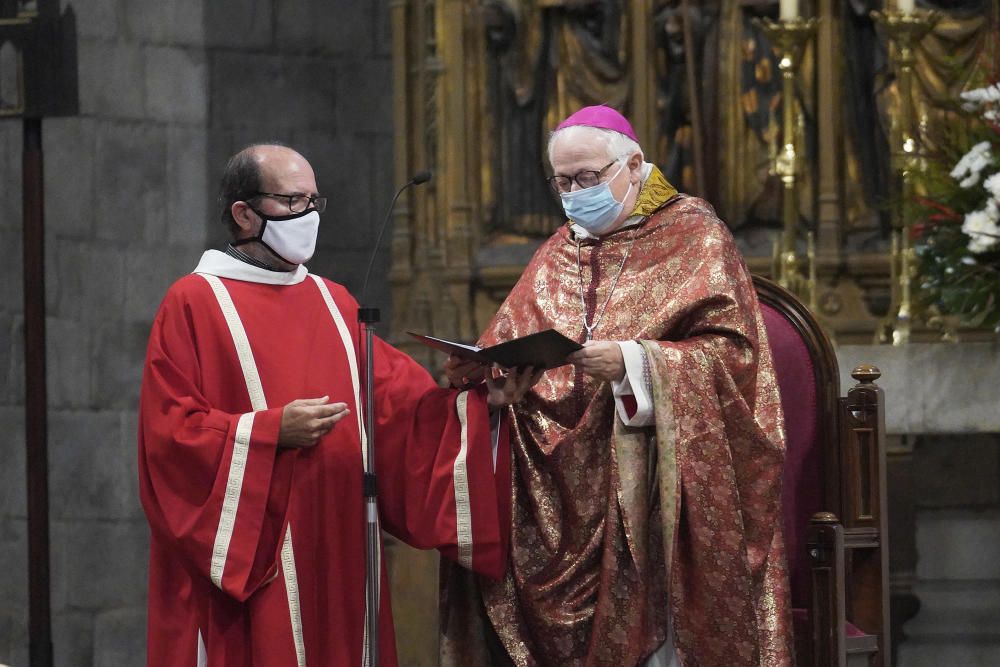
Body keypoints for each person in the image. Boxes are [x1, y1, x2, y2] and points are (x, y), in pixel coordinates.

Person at [138, 144, 538, 666]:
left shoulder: (334, 301)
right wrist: (271, 431)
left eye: (314, 201)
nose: (308, 216)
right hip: (257, 556)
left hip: (339, 541)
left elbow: (401, 412)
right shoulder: (193, 301)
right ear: (243, 213)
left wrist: (481, 405)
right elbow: (169, 437)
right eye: (292, 201)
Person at [440, 106, 793, 666]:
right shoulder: (559, 248)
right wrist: (498, 394)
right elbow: (504, 346)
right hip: (558, 495)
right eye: (561, 181)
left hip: (654, 495)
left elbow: (737, 360)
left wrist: (636, 363)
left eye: (588, 178)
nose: (575, 193)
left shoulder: (695, 235)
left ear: (633, 164)